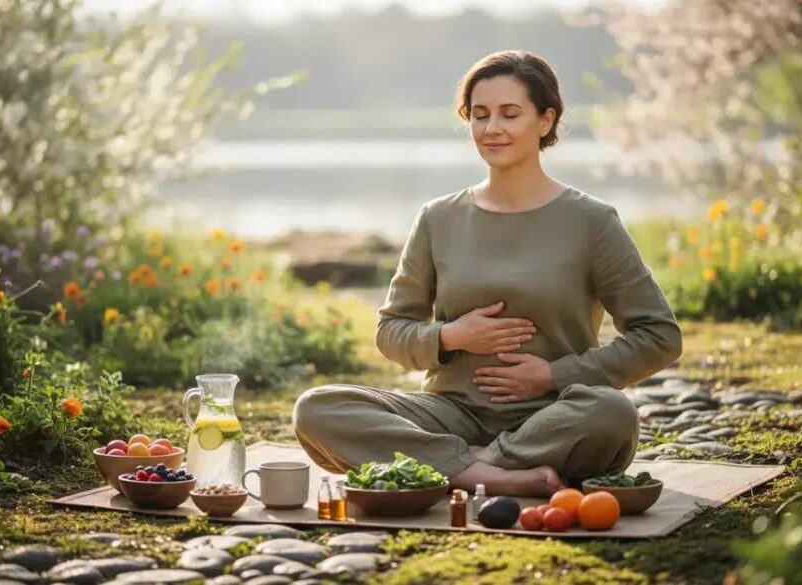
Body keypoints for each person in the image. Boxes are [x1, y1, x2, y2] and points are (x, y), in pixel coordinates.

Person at [292, 50, 682, 496]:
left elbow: (659, 336)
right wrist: (452, 336)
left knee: (613, 414)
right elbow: (391, 331)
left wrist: (552, 376)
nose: (491, 129)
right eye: (479, 116)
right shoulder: (439, 218)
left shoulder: (591, 221)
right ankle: (488, 476)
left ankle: (473, 465)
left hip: (554, 418)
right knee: (318, 409)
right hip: (450, 415)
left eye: (509, 114)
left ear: (545, 121)